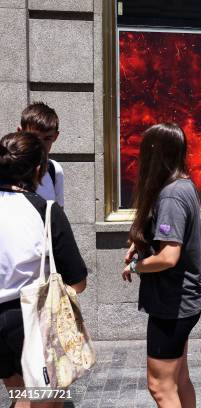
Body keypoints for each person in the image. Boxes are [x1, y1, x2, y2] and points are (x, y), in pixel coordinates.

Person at [0, 131, 87, 408]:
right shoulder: (46, 211)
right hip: (30, 318)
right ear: (38, 170)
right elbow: (78, 280)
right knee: (48, 400)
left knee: (18, 393)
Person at [122, 123, 201, 408]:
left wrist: (136, 267)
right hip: (182, 303)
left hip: (172, 306)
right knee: (179, 379)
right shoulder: (183, 186)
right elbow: (168, 236)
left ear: (155, 153)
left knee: (159, 386)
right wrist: (141, 242)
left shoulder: (171, 194)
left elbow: (169, 256)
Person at [18, 102, 64, 206]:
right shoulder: (5, 169)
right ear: (19, 132)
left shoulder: (55, 170)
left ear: (55, 137)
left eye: (47, 138)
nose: (40, 145)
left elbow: (57, 217)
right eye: (33, 137)